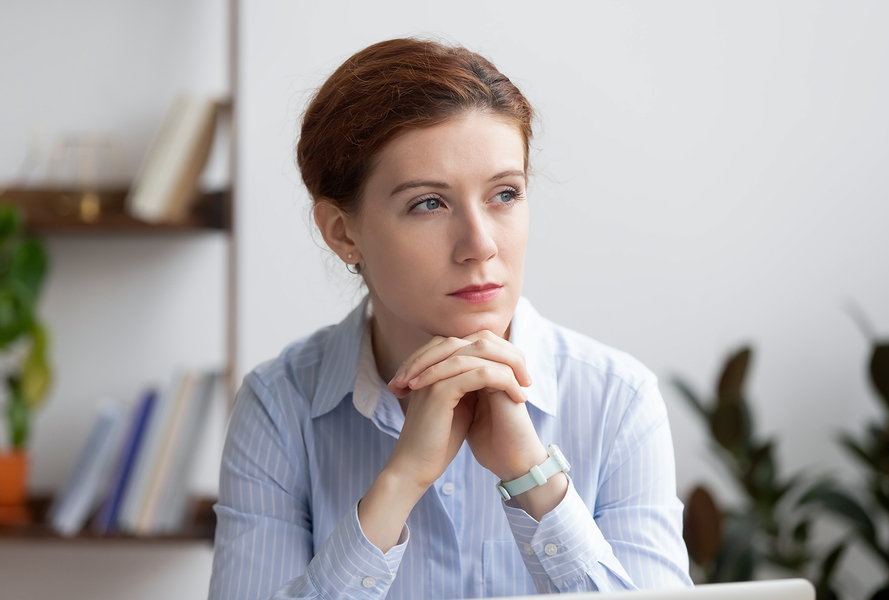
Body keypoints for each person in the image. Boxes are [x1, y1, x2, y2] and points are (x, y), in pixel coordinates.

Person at [208, 38, 692, 600]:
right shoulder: (280, 405)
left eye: (505, 194)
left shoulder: (616, 399)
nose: (480, 245)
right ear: (343, 232)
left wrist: (532, 477)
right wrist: (398, 482)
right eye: (428, 204)